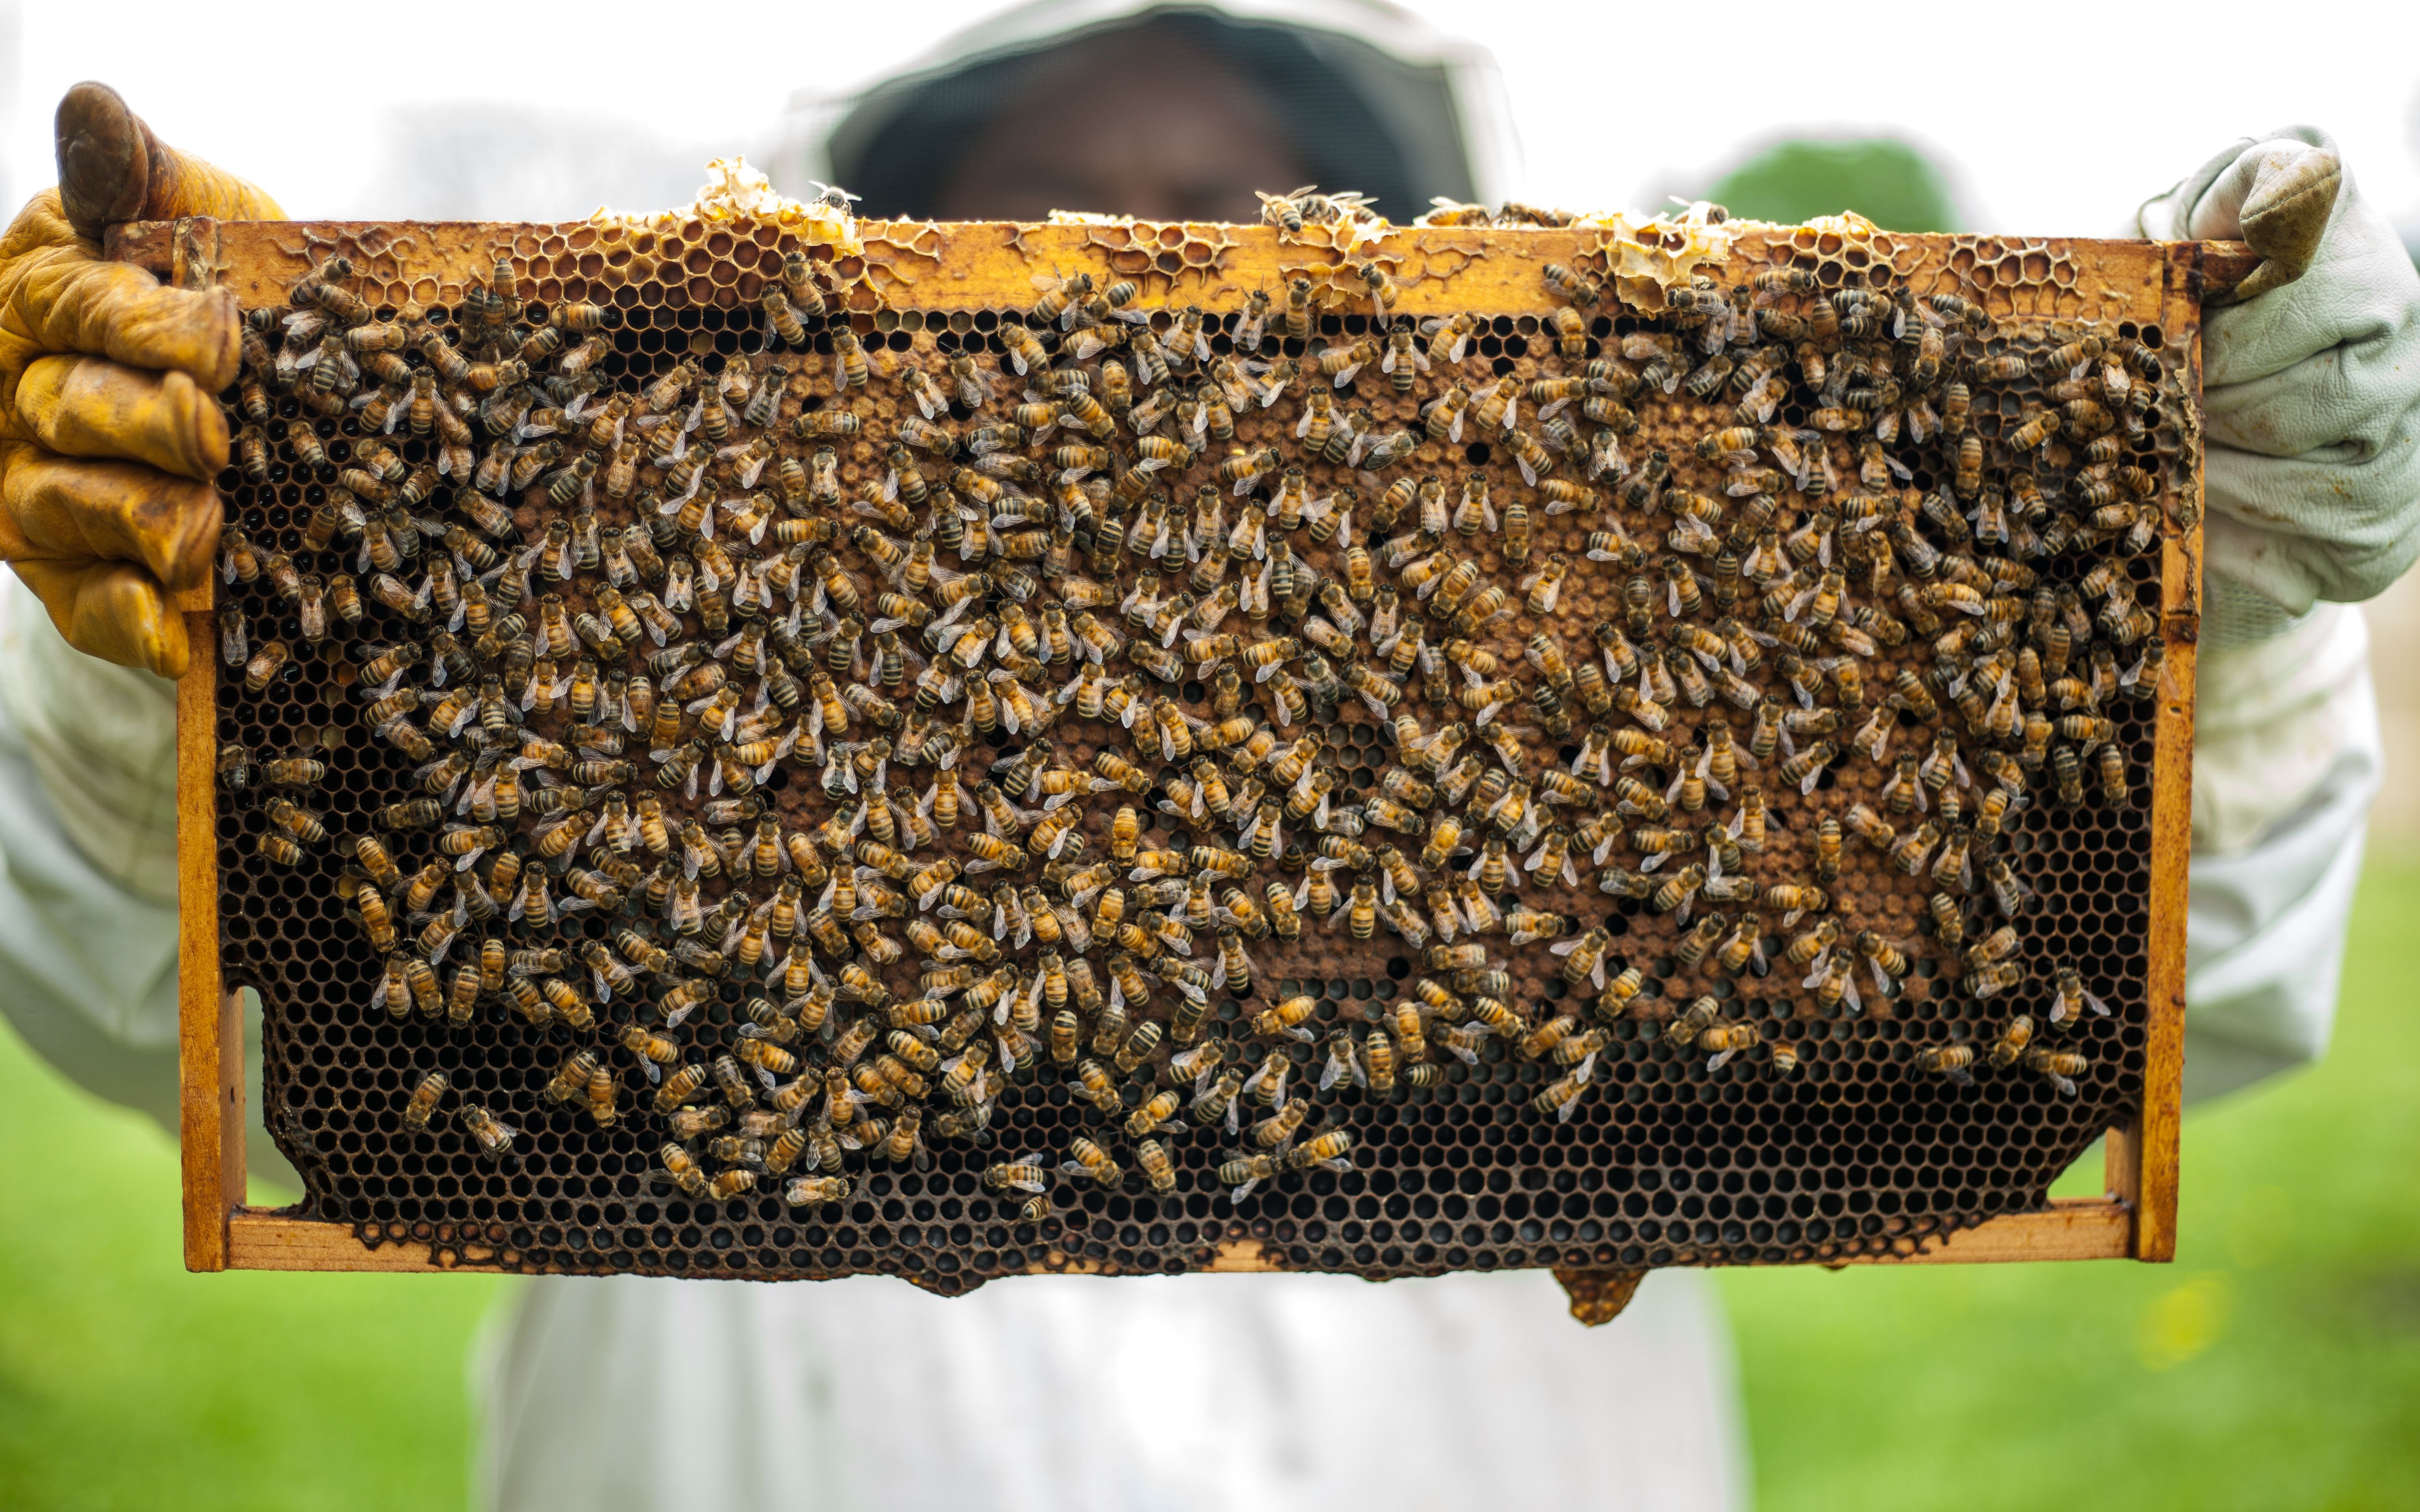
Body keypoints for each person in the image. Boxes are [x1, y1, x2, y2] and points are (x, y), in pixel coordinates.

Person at [0, 4, 2414, 1508]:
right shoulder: (576, 645)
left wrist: (2231, 589)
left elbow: (2156, 987)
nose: (1154, 256)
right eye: (1059, 209)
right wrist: (180, 657)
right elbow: (176, 1012)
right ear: (868, 268)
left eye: (1232, 212)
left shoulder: (1594, 662)